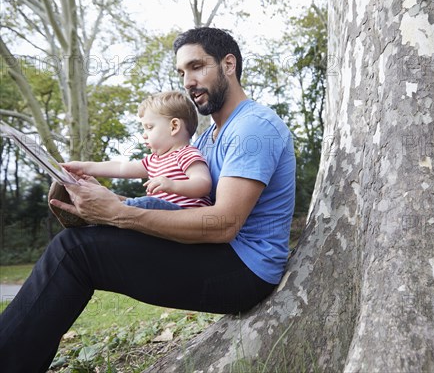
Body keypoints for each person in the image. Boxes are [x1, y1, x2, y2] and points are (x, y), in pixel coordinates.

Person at [0, 27, 296, 372]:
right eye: (182, 73)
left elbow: (223, 224)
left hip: (244, 270)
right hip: (218, 255)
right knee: (77, 245)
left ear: (228, 64)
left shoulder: (252, 128)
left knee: (76, 251)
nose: (188, 81)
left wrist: (119, 214)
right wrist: (108, 202)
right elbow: (173, 201)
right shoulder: (207, 138)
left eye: (197, 66)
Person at [64, 91, 212, 211]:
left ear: (174, 126)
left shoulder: (187, 154)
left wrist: (172, 185)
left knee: (147, 204)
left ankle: (107, 212)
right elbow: (120, 168)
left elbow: (203, 184)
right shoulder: (153, 161)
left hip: (185, 216)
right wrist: (84, 167)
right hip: (161, 219)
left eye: (149, 127)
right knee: (144, 205)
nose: (144, 134)